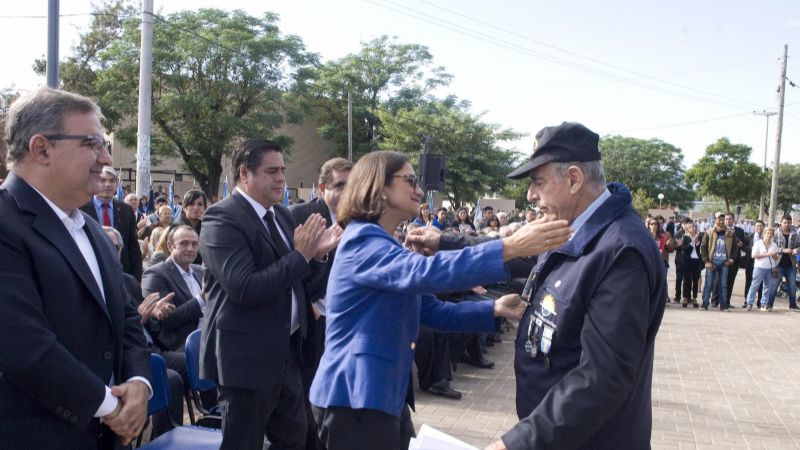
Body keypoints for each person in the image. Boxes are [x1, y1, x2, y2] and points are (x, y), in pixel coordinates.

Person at [308, 150, 572, 450]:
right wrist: (508, 247)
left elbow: (430, 310)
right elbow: (426, 272)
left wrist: (494, 308)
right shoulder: (361, 241)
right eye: (409, 180)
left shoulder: (383, 243)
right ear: (378, 188)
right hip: (354, 400)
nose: (419, 190)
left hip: (380, 397)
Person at [481, 122, 666, 450]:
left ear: (574, 179)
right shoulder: (573, 228)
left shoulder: (621, 251)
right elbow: (520, 258)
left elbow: (601, 377)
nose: (530, 195)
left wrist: (517, 443)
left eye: (538, 181)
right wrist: (444, 244)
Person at [0, 87, 151, 448]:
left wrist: (139, 384)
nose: (105, 156)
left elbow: (126, 318)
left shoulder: (93, 231)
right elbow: (24, 346)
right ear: (41, 149)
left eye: (104, 144)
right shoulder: (6, 224)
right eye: (92, 143)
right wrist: (110, 406)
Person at [199, 139, 341, 450]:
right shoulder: (222, 218)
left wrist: (316, 256)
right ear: (244, 173)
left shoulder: (281, 216)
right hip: (245, 358)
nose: (281, 178)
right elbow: (244, 287)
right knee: (243, 443)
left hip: (287, 353)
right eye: (271, 171)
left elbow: (298, 281)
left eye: (283, 170)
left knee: (294, 438)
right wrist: (301, 256)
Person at [290, 156, 353, 450]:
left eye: (351, 184)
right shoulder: (302, 215)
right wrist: (320, 253)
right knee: (311, 400)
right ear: (322, 187)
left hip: (346, 320)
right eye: (339, 185)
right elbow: (292, 272)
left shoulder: (358, 218)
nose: (346, 191)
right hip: (314, 320)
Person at [141, 225, 205, 351]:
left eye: (194, 244)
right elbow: (167, 321)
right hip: (181, 346)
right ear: (170, 246)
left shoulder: (200, 271)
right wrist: (202, 298)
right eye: (184, 244)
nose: (190, 249)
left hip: (211, 337)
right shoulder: (156, 274)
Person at [79, 166, 144, 281]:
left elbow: (133, 247)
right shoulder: (81, 208)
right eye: (103, 180)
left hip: (121, 274)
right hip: (90, 272)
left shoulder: (126, 210)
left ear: (116, 185)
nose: (108, 184)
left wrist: (135, 280)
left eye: (112, 181)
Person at [700, 213, 738, 311]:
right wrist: (706, 261)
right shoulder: (709, 232)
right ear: (715, 220)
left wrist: (731, 260)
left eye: (722, 219)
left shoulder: (730, 233)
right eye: (719, 219)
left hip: (724, 262)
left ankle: (724, 305)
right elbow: (703, 247)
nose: (721, 222)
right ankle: (704, 304)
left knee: (723, 285)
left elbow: (735, 248)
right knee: (708, 284)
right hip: (712, 262)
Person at [746, 226, 779, 311]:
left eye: (771, 234)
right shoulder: (758, 243)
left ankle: (764, 304)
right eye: (768, 233)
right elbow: (754, 255)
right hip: (759, 267)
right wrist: (767, 254)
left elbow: (776, 258)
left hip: (770, 268)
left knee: (768, 286)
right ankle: (749, 303)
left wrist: (775, 256)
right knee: (755, 285)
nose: (769, 235)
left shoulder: (774, 244)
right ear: (764, 234)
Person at [771, 214, 799, 310]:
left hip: (791, 264)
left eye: (789, 223)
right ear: (781, 222)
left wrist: (796, 250)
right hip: (778, 264)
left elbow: (799, 246)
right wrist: (784, 250)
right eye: (785, 222)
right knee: (774, 285)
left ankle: (792, 304)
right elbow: (772, 247)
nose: (787, 225)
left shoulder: (795, 234)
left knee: (792, 286)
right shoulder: (775, 233)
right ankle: (769, 304)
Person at [178, 188, 208, 264]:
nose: (196, 208)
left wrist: (208, 225)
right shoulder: (176, 229)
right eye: (192, 204)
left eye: (200, 204)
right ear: (184, 208)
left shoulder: (208, 227)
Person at [680, 221, 702, 308]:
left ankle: (695, 298)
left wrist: (697, 242)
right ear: (687, 229)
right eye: (690, 227)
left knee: (695, 279)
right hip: (688, 261)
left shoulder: (699, 237)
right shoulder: (685, 238)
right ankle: (685, 297)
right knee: (687, 280)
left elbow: (701, 248)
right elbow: (684, 249)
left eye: (693, 226)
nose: (692, 228)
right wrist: (692, 242)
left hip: (696, 260)